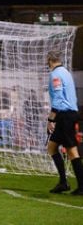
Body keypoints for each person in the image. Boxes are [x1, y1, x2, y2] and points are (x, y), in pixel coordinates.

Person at [45, 51, 82, 195]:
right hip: (69, 114)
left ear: (49, 60)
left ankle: (81, 186)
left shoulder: (55, 75)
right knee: (52, 147)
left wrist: (51, 119)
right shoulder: (66, 72)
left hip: (64, 115)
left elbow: (59, 99)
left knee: (72, 151)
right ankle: (63, 182)